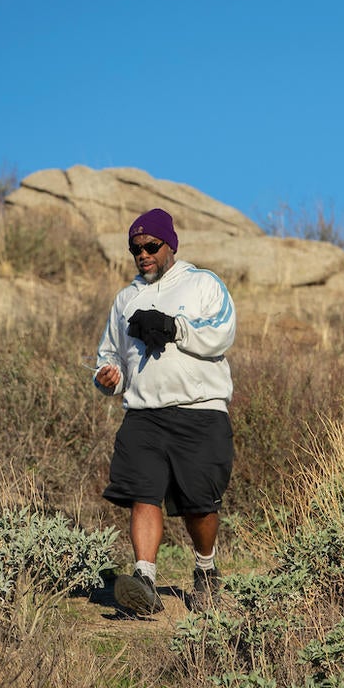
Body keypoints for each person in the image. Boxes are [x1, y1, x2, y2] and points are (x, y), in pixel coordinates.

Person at [93, 208, 236, 615]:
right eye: (135, 249)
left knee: (200, 504)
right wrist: (109, 377)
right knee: (144, 493)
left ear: (170, 245)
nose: (143, 255)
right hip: (144, 415)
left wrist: (174, 328)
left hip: (200, 411)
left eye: (151, 246)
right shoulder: (125, 300)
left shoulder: (202, 283)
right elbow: (111, 357)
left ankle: (206, 570)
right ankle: (144, 582)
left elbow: (223, 332)